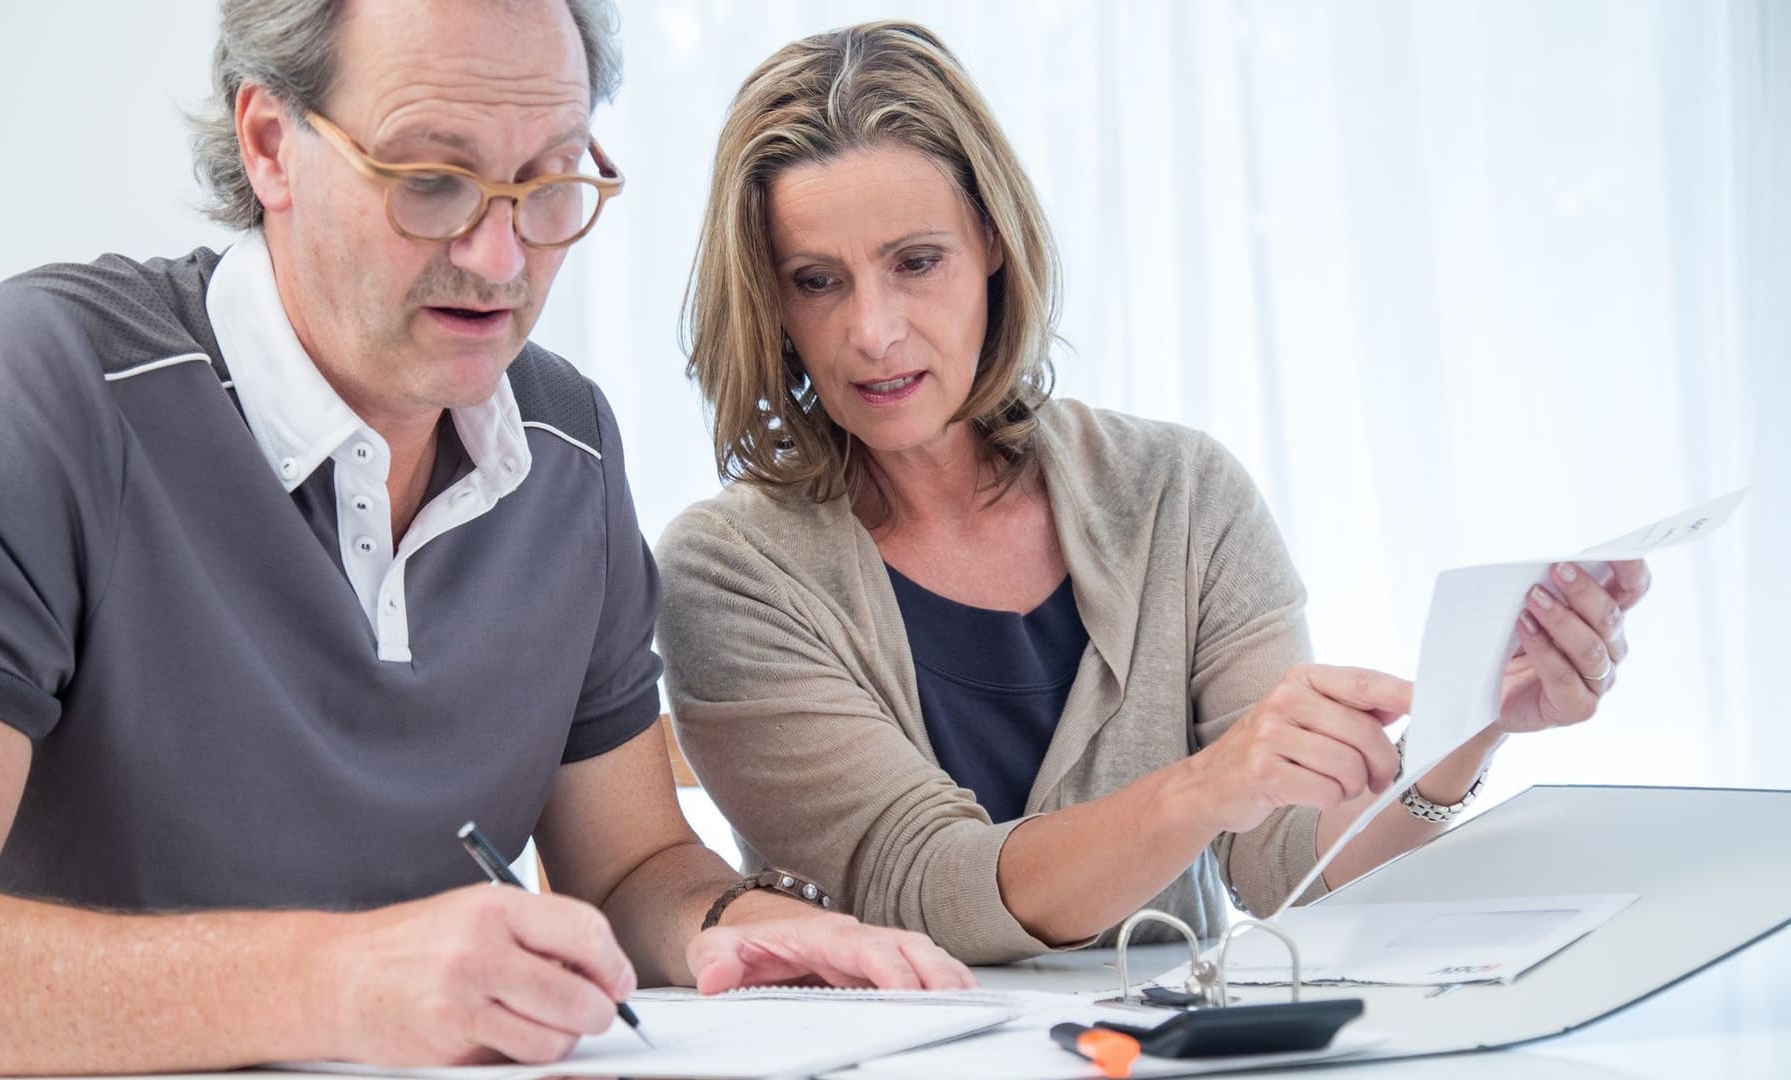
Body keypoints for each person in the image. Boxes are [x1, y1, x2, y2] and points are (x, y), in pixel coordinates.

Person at [0, 2, 974, 1074]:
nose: (501, 260)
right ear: (270, 144)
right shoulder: (50, 387)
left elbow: (630, 864)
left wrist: (733, 925)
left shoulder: (566, 442)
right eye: (431, 180)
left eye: (547, 184)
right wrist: (336, 983)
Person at [658, 20, 1652, 966]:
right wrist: (1203, 789)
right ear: (769, 298)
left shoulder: (1182, 494)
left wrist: (1472, 722)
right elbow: (925, 889)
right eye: (817, 280)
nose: (873, 330)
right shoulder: (730, 573)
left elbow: (1282, 864)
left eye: (917, 262)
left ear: (994, 245)